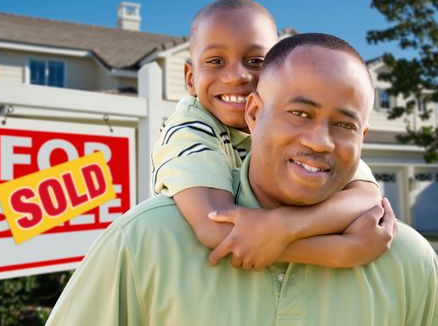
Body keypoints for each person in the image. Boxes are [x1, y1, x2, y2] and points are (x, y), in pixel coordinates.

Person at [46, 33, 437, 325]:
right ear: (253, 113)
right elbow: (218, 228)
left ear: (362, 137)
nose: (321, 141)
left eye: (343, 124)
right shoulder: (144, 240)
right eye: (299, 114)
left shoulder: (409, 261)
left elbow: (364, 192)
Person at [152, 0, 388, 269]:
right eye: (216, 61)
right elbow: (216, 226)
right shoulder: (188, 129)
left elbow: (366, 196)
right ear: (190, 79)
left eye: (255, 61)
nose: (236, 76)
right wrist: (342, 252)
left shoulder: (293, 126)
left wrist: (284, 225)